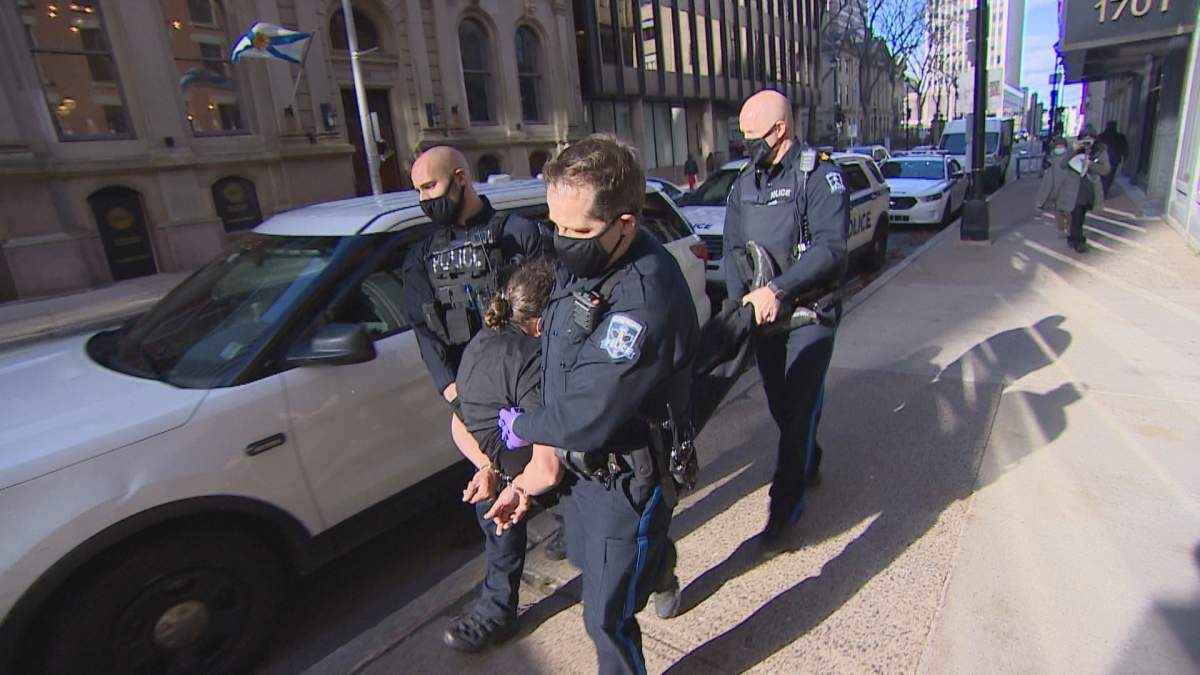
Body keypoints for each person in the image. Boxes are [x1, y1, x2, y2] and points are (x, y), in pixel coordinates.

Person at [489, 135, 699, 675]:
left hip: (625, 476)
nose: (563, 241)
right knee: (593, 560)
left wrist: (525, 426)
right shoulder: (588, 256)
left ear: (625, 223)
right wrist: (537, 468)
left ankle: (647, 568)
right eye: (555, 226)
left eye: (577, 230)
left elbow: (588, 411)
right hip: (581, 472)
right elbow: (561, 349)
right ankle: (656, 564)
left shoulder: (643, 299)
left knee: (605, 617)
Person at [398, 146, 569, 559]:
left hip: (529, 381)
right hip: (475, 396)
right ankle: (497, 606)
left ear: (460, 177)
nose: (424, 199)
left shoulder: (518, 234)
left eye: (430, 186)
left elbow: (551, 303)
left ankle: (573, 526)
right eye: (417, 191)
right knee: (492, 500)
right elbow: (425, 330)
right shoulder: (420, 257)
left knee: (559, 470)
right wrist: (454, 393)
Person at [722, 89, 850, 557]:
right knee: (781, 407)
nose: (745, 144)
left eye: (752, 136)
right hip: (763, 317)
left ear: (780, 131)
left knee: (798, 409)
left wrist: (780, 290)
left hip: (808, 312)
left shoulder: (819, 176)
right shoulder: (744, 183)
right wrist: (739, 309)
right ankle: (808, 458)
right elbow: (733, 251)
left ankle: (785, 506)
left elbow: (831, 249)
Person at [442, 260, 562, 652]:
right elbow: (547, 469)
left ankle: (655, 571)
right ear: (542, 322)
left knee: (603, 537)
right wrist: (502, 476)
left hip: (523, 471)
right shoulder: (532, 358)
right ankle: (496, 613)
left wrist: (488, 468)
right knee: (500, 516)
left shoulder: (481, 340)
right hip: (537, 473)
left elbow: (459, 422)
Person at [1037, 136, 1110, 253]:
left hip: (1089, 189)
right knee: (1077, 214)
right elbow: (1064, 164)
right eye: (1084, 141)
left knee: (1079, 216)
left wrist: (1091, 164)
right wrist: (1073, 149)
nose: (1086, 143)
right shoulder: (1074, 150)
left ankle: (1073, 237)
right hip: (1073, 189)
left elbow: (1105, 169)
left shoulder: (1100, 151)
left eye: (1089, 140)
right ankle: (1078, 241)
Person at [1096, 121, 1129, 196]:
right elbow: (1125, 148)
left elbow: (1096, 147)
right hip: (1114, 160)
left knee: (1101, 176)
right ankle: (1105, 191)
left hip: (1102, 159)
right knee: (1109, 177)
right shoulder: (1120, 137)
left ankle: (1100, 191)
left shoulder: (1101, 136)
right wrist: (1124, 157)